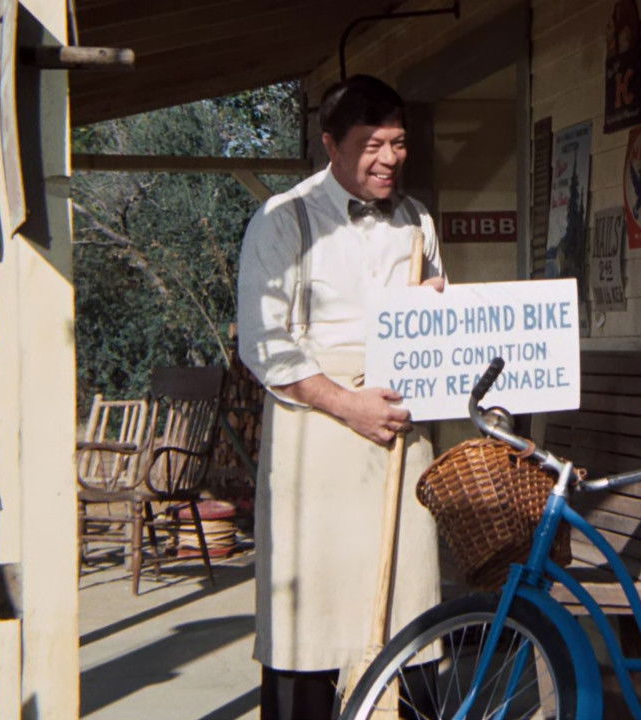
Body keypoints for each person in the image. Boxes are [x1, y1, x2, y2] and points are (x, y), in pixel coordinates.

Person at [236, 74, 446, 720]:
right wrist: (348, 406)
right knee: (313, 622)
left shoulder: (417, 221)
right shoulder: (284, 220)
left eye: (398, 143)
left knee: (406, 609)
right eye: (371, 145)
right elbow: (264, 344)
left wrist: (436, 314)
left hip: (398, 440)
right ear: (330, 144)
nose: (389, 159)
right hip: (317, 442)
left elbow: (436, 332)